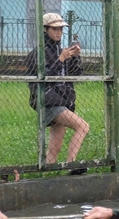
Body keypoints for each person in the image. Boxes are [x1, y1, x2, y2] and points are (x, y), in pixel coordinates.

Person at [25, 13, 90, 173]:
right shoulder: (37, 53)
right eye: (54, 29)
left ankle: (48, 174)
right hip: (47, 100)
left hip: (62, 100)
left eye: (61, 29)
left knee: (55, 146)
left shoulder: (62, 51)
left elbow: (76, 75)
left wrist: (75, 57)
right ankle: (71, 165)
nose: (58, 32)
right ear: (45, 29)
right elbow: (43, 77)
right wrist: (60, 59)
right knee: (83, 126)